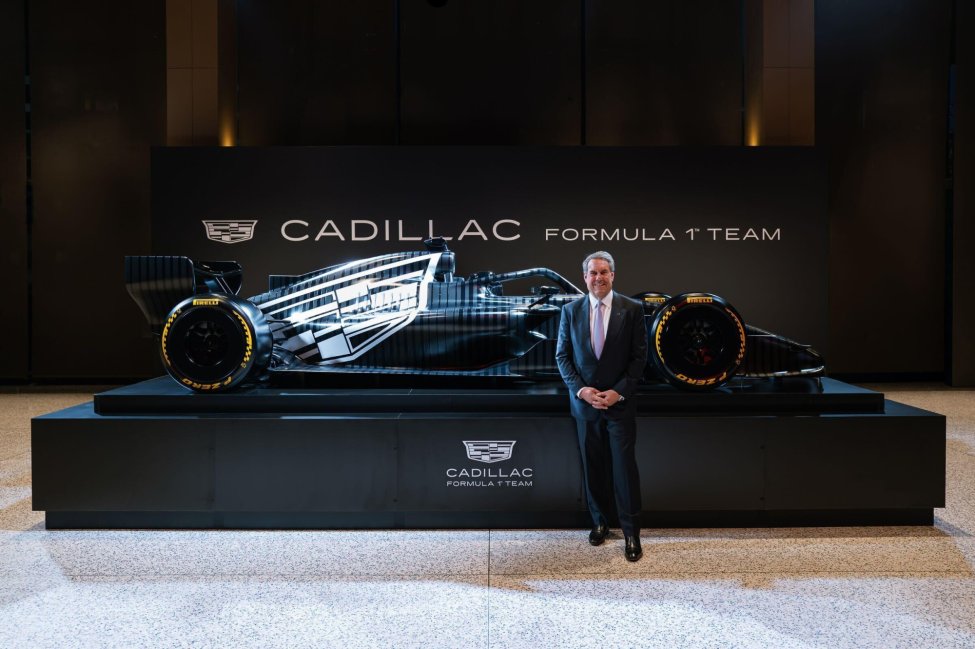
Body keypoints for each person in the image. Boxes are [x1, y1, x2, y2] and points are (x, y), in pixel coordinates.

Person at [555, 251, 648, 562]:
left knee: (624, 470)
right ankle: (599, 523)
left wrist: (617, 392)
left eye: (604, 272)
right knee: (592, 467)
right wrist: (582, 391)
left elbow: (639, 359)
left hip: (619, 405)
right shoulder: (570, 311)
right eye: (593, 273)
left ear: (613, 275)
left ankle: (631, 532)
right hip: (585, 406)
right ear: (585, 277)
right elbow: (562, 357)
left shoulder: (632, 309)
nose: (598, 278)